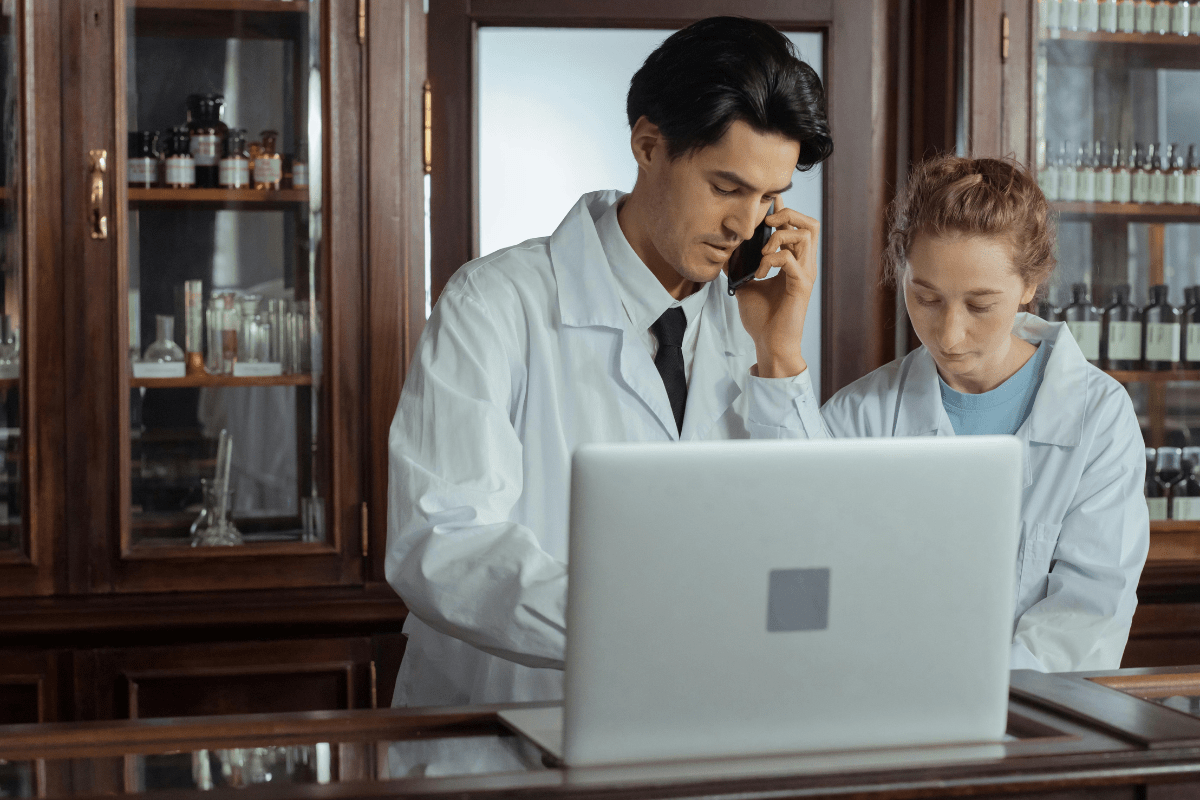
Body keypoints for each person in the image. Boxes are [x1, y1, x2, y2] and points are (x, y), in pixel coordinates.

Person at [386, 16, 832, 723]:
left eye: (769, 198)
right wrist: (645, 627)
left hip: (696, 728)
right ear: (648, 144)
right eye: (726, 187)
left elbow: (811, 544)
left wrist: (780, 360)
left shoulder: (750, 322)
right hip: (511, 728)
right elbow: (443, 544)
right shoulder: (496, 303)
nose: (746, 227)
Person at [820, 155, 1149, 672]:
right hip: (882, 709)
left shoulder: (1098, 418)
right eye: (925, 297)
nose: (949, 336)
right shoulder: (857, 418)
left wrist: (969, 693)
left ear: (1028, 286)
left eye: (980, 305)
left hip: (1033, 719)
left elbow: (1086, 617)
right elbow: (820, 589)